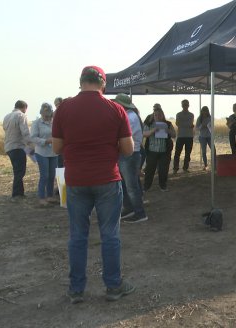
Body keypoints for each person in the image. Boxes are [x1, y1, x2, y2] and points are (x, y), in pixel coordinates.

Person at [52, 65, 135, 304]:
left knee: (77, 235)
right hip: (107, 179)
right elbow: (128, 149)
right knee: (110, 235)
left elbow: (57, 147)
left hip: (76, 180)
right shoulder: (116, 109)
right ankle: (113, 286)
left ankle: (76, 290)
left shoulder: (64, 108)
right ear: (103, 84)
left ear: (80, 82)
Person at [113, 94, 148, 223]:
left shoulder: (129, 118)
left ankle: (140, 212)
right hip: (128, 154)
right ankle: (129, 208)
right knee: (125, 184)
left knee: (131, 186)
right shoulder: (130, 116)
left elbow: (125, 137)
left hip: (130, 154)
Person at [30, 102, 58, 207]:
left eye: (49, 114)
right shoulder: (36, 123)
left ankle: (50, 196)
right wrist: (46, 141)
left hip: (53, 153)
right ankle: (41, 197)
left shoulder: (54, 122)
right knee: (44, 175)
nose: (46, 116)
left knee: (51, 176)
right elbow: (33, 137)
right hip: (41, 153)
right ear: (41, 112)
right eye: (45, 114)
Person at [3, 100, 32, 201]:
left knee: (17, 170)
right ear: (24, 107)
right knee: (20, 171)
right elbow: (25, 132)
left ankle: (20, 192)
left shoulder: (7, 116)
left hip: (8, 146)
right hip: (18, 146)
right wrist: (31, 144)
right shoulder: (21, 115)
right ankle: (16, 194)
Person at [143, 105, 176, 192]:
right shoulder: (149, 123)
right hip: (151, 151)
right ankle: (146, 186)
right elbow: (144, 134)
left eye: (160, 115)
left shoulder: (168, 124)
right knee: (150, 169)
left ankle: (163, 186)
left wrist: (167, 131)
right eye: (156, 115)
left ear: (163, 115)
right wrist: (153, 130)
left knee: (163, 170)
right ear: (153, 115)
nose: (158, 116)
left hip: (164, 151)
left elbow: (174, 135)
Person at [173, 99, 194, 173]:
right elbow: (178, 123)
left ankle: (185, 168)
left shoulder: (191, 115)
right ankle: (175, 168)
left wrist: (183, 124)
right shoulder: (178, 114)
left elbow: (188, 124)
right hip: (180, 136)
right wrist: (188, 125)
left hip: (189, 136)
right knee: (177, 153)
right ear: (182, 105)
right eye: (184, 104)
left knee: (188, 153)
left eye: (186, 104)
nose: (185, 106)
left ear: (188, 105)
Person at [196, 106, 216, 170]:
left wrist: (209, 126)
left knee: (213, 150)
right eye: (203, 111)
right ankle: (205, 165)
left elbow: (212, 126)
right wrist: (202, 125)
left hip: (209, 136)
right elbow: (197, 128)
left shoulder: (210, 118)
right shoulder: (199, 118)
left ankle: (214, 165)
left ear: (208, 111)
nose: (205, 112)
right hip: (202, 137)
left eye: (206, 111)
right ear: (202, 111)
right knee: (204, 151)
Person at [54, 97, 65, 168]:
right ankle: (61, 179)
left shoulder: (66, 110)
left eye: (57, 104)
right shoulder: (55, 113)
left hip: (67, 141)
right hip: (59, 141)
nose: (56, 106)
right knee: (60, 164)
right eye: (55, 105)